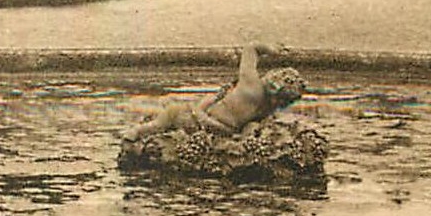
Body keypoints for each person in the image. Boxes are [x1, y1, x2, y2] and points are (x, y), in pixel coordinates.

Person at [122, 44, 307, 141]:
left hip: (199, 121)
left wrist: (271, 50)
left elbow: (251, 48)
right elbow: (250, 48)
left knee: (161, 123)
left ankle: (137, 132)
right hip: (202, 122)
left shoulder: (256, 90)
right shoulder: (261, 99)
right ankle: (138, 131)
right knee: (161, 124)